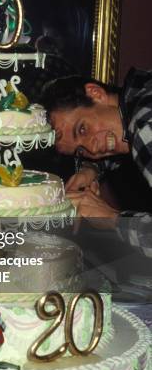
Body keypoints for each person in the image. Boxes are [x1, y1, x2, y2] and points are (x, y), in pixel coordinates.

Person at [40, 69, 152, 258]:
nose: (92, 150)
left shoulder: (145, 126)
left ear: (96, 93)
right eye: (80, 151)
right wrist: (90, 168)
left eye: (82, 129)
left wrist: (113, 220)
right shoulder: (141, 91)